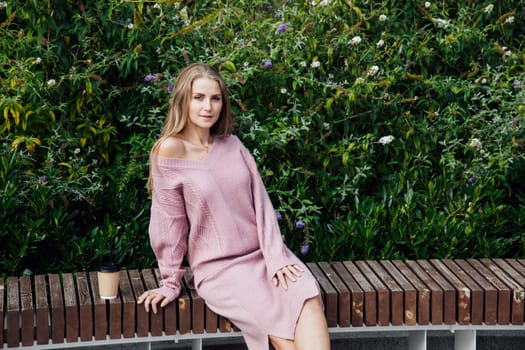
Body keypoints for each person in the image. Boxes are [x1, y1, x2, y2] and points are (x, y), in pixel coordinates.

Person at [137, 63, 330, 350]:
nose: (208, 106)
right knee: (283, 337)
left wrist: (276, 256)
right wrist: (170, 280)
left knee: (307, 297)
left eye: (215, 98)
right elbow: (168, 223)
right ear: (183, 100)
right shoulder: (169, 150)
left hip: (265, 256)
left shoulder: (233, 145)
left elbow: (261, 204)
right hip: (220, 269)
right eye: (199, 97)